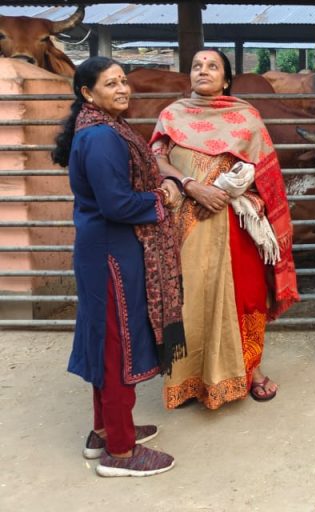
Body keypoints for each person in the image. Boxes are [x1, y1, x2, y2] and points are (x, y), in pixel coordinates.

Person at [52, 56, 184, 477]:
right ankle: (121, 452)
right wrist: (163, 196)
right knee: (116, 345)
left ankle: (104, 430)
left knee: (105, 339)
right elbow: (118, 204)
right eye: (111, 84)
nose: (122, 89)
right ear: (88, 93)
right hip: (112, 251)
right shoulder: (104, 137)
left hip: (103, 249)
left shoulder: (101, 128)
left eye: (123, 81)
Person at [151, 49, 299, 408]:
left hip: (235, 223)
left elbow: (268, 176)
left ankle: (251, 371)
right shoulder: (171, 116)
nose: (203, 70)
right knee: (189, 299)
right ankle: (188, 380)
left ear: (226, 79)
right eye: (197, 65)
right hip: (185, 224)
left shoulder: (246, 118)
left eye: (212, 66)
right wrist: (191, 184)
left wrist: (237, 193)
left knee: (246, 296)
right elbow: (156, 158)